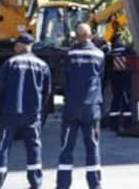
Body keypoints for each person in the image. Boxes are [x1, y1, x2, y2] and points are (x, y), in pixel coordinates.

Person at [0, 33, 53, 189]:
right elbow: (47, 91)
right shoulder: (42, 65)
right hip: (32, 114)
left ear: (21, 45)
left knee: (3, 146)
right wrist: (39, 108)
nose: (14, 47)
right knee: (34, 147)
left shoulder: (10, 63)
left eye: (16, 45)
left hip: (10, 112)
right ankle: (35, 183)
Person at [55, 23, 105, 189]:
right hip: (91, 107)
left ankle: (62, 185)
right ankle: (95, 184)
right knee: (92, 147)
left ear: (76, 36)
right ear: (91, 36)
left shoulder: (69, 54)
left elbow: (65, 79)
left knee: (67, 147)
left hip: (72, 108)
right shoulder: (99, 54)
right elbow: (100, 79)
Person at [105, 35, 134, 132]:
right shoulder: (127, 52)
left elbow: (107, 69)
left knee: (115, 101)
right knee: (126, 101)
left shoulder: (110, 54)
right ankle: (127, 124)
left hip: (115, 82)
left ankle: (113, 124)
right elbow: (135, 56)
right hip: (125, 80)